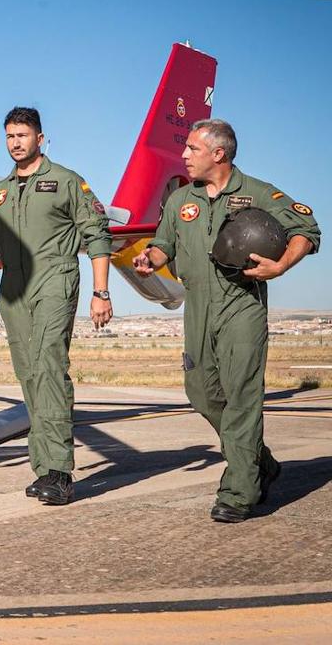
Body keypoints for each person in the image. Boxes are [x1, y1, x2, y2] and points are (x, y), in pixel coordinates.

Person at [133, 118, 319, 523]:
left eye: (192, 149)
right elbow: (164, 244)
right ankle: (258, 462)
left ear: (218, 154)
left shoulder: (257, 192)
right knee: (199, 390)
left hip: (241, 305)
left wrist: (282, 265)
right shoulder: (182, 198)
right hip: (198, 306)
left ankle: (239, 491)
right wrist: (151, 259)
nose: (184, 155)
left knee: (242, 396)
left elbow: (306, 227)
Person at [0, 107, 113, 505]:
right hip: (14, 291)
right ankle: (44, 468)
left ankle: (60, 471)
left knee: (49, 369)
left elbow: (96, 235)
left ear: (40, 139)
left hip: (54, 282)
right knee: (29, 376)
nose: (15, 143)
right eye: (10, 136)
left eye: (23, 135)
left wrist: (101, 292)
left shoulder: (66, 182)